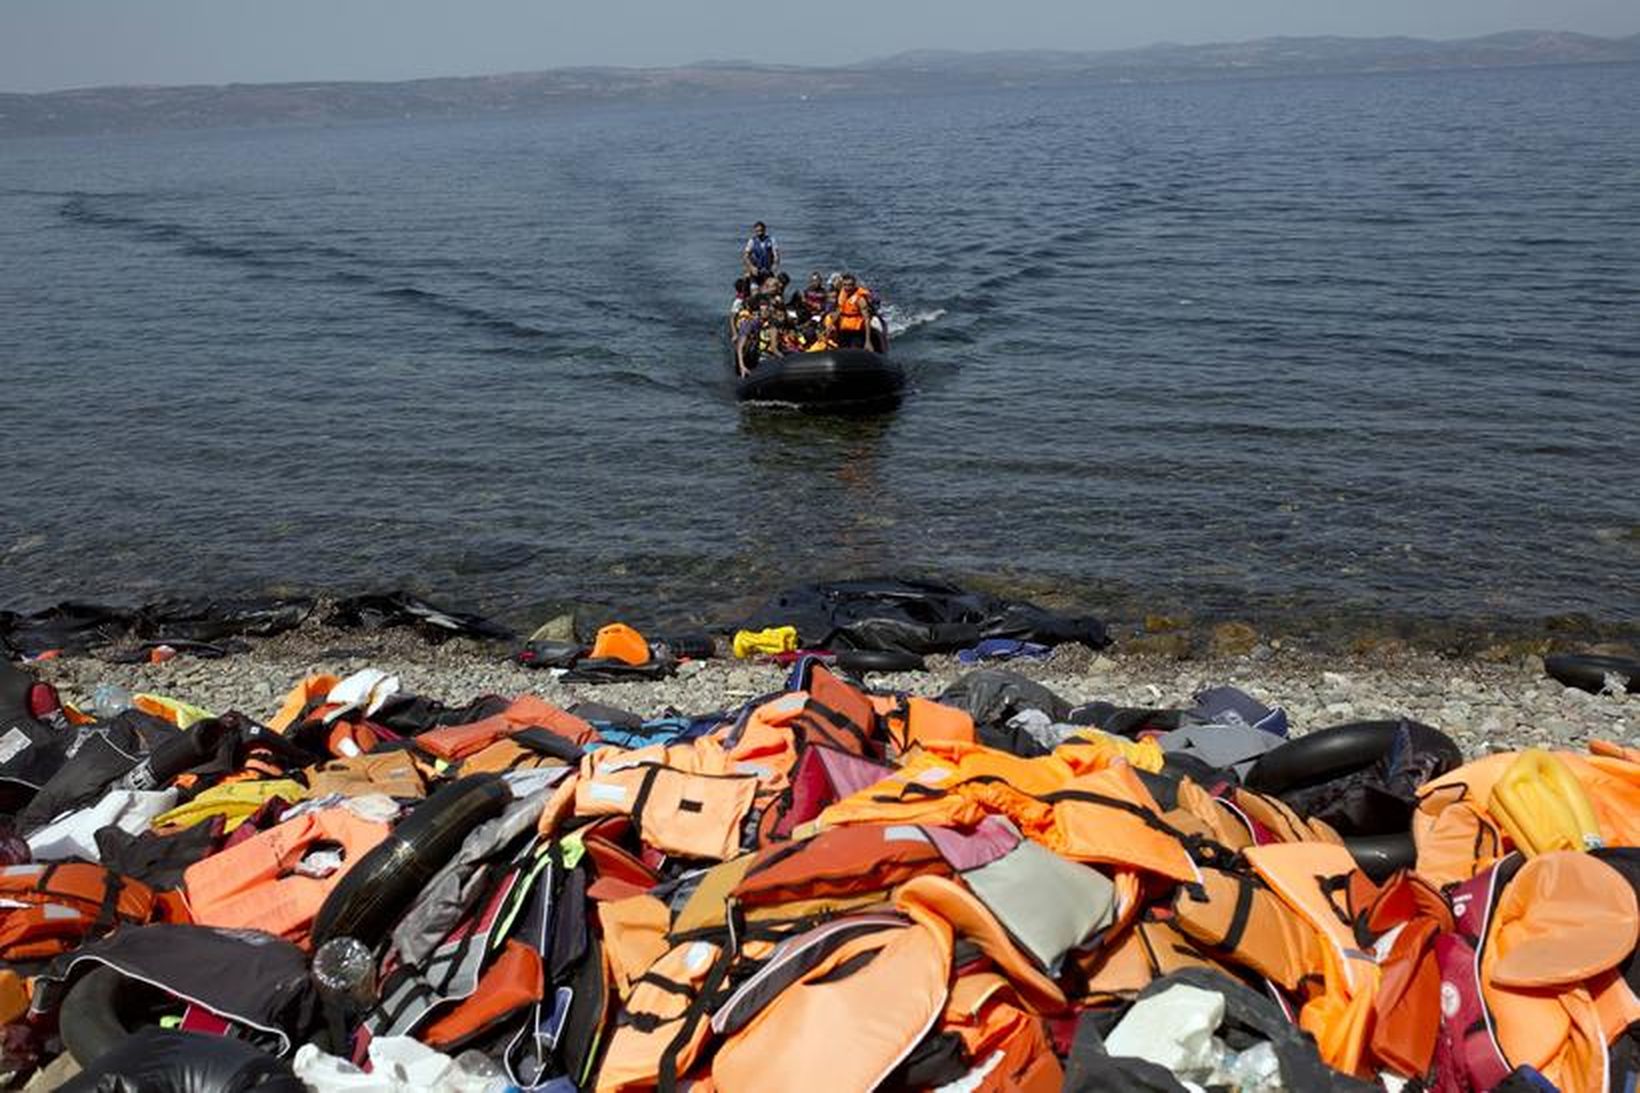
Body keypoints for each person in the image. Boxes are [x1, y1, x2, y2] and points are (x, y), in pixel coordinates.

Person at [829, 273, 874, 349]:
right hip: (844, 330)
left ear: (854, 285)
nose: (847, 288)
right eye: (845, 285)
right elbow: (839, 310)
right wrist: (830, 326)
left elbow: (867, 319)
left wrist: (868, 341)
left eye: (850, 285)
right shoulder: (842, 294)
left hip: (856, 333)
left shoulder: (860, 299)